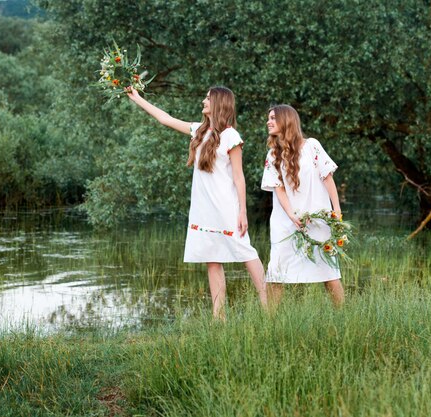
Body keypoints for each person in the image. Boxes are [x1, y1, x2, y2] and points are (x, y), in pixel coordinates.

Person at [127, 87, 267, 318]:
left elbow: (239, 176)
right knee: (211, 259)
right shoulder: (199, 132)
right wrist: (137, 98)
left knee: (245, 253)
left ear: (219, 103)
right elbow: (166, 119)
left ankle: (268, 305)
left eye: (208, 98)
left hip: (225, 207)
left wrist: (242, 211)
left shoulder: (231, 136)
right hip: (204, 209)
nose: (203, 101)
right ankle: (218, 317)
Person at [260, 104, 344, 306]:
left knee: (328, 271)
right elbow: (278, 187)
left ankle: (344, 315)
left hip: (317, 220)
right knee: (276, 272)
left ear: (287, 120)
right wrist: (291, 215)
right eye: (269, 118)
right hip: (286, 222)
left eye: (273, 118)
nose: (269, 121)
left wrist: (337, 212)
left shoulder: (312, 146)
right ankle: (268, 324)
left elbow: (328, 178)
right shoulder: (273, 155)